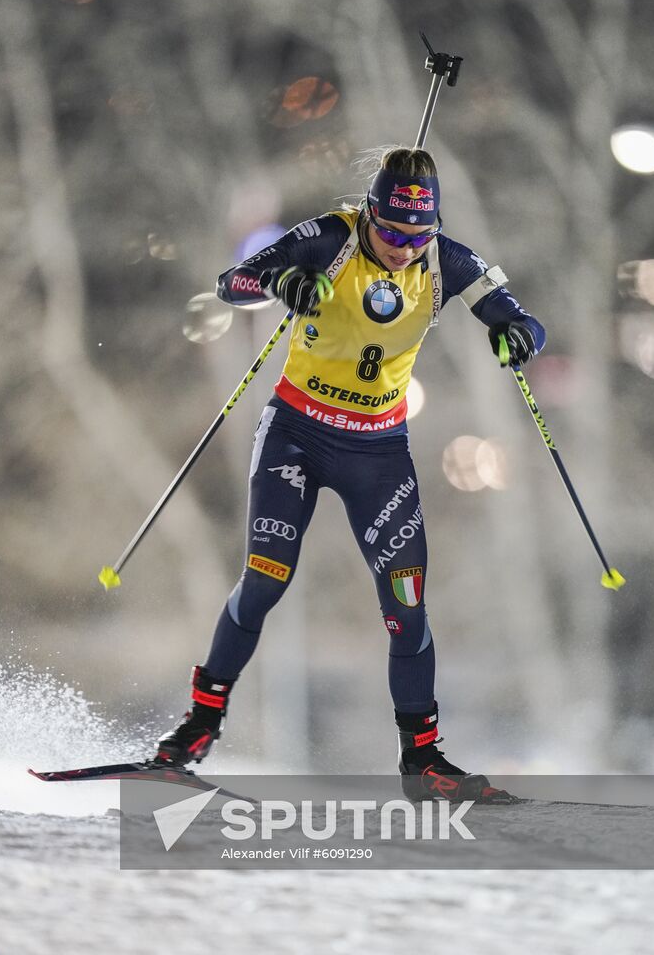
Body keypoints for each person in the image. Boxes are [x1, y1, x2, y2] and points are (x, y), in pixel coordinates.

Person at [154, 147, 545, 803]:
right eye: (388, 233)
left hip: (377, 452)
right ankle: (193, 731)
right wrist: (285, 282)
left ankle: (422, 761)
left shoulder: (446, 260)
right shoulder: (329, 237)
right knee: (264, 582)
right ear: (369, 215)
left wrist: (518, 334)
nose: (399, 248)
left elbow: (515, 313)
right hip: (297, 437)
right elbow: (233, 283)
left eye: (414, 238)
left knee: (406, 606)